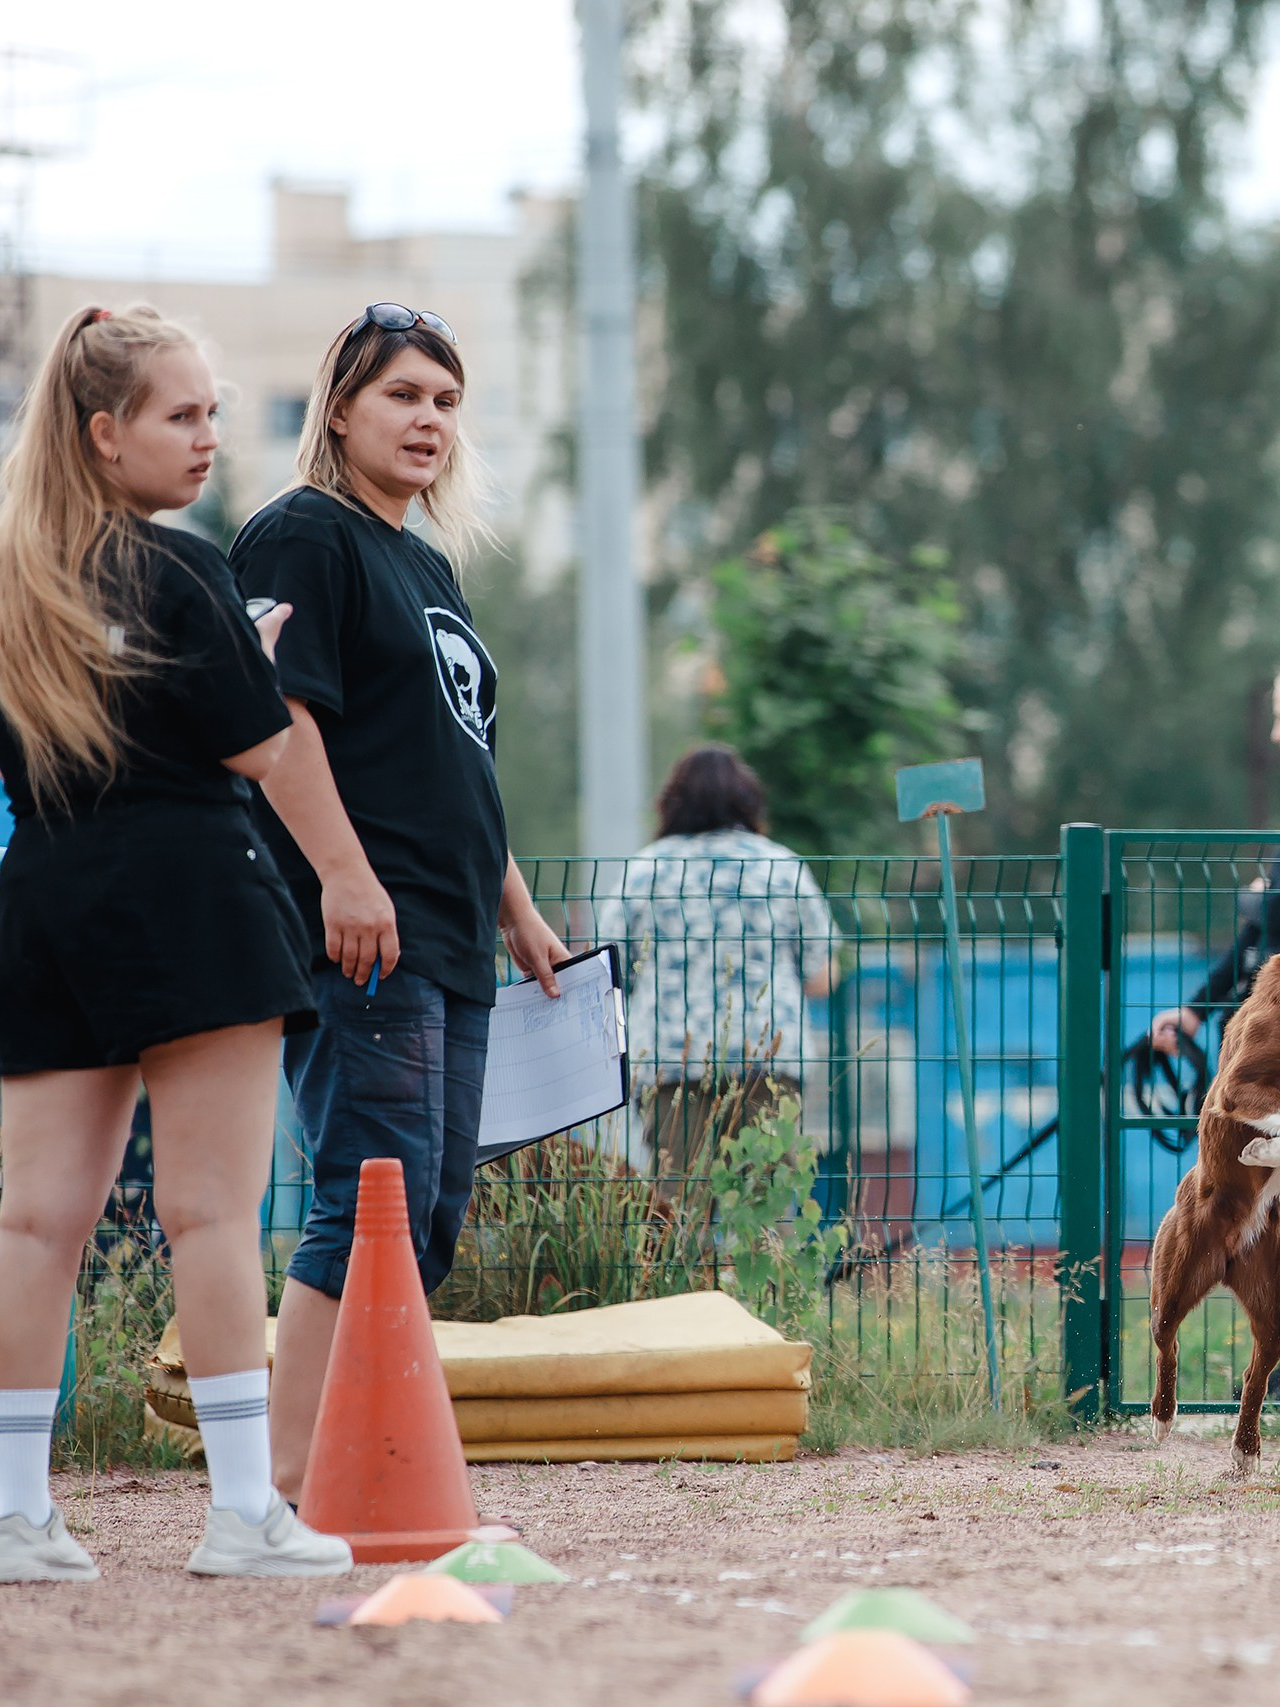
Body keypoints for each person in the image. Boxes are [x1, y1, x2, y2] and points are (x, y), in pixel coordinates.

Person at [0, 304, 350, 1580]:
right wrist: (257, 662)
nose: (209, 439)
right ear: (104, 433)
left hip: (45, 897)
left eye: (215, 414)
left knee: (35, 1222)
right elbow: (260, 746)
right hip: (193, 892)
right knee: (213, 1214)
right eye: (183, 415)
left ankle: (19, 1522)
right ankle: (241, 1515)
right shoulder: (179, 572)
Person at [230, 304, 571, 1507]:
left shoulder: (425, 563)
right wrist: (342, 872)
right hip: (360, 929)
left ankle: (356, 1464)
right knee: (362, 1196)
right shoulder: (300, 538)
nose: (428, 420)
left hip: (449, 933)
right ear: (339, 407)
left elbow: (456, 758)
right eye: (402, 396)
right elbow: (276, 724)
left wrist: (515, 906)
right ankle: (284, 1483)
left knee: (424, 1214)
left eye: (445, 401)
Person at [1148, 659, 1280, 1400]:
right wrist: (1196, 1009)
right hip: (1270, 1027)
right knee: (1275, 1185)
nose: (1274, 729)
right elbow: (1259, 942)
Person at [599, 744, 838, 1178]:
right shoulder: (781, 867)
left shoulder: (646, 871)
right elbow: (821, 976)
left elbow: (608, 969)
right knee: (770, 1205)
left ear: (672, 804)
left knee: (678, 1213)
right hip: (769, 1058)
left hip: (671, 1059)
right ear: (748, 801)